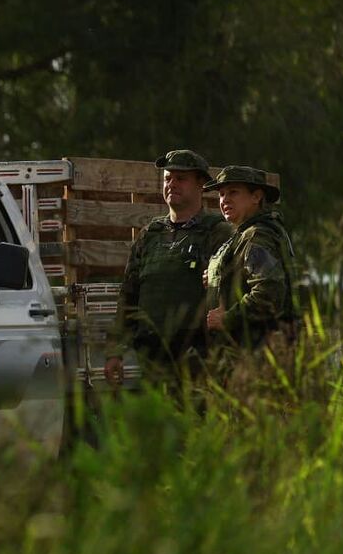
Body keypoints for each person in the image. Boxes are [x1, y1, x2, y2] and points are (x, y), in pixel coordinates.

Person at [105, 150, 234, 387]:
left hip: (199, 359)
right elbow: (129, 295)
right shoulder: (150, 235)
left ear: (201, 184)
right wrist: (115, 351)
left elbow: (232, 294)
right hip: (152, 358)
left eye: (181, 179)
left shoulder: (217, 233)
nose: (172, 184)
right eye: (167, 178)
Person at [203, 165, 296, 354]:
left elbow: (268, 292)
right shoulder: (245, 233)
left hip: (253, 352)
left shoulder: (256, 235)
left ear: (256, 197)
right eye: (221, 194)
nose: (224, 200)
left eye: (233, 192)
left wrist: (227, 319)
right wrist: (217, 277)